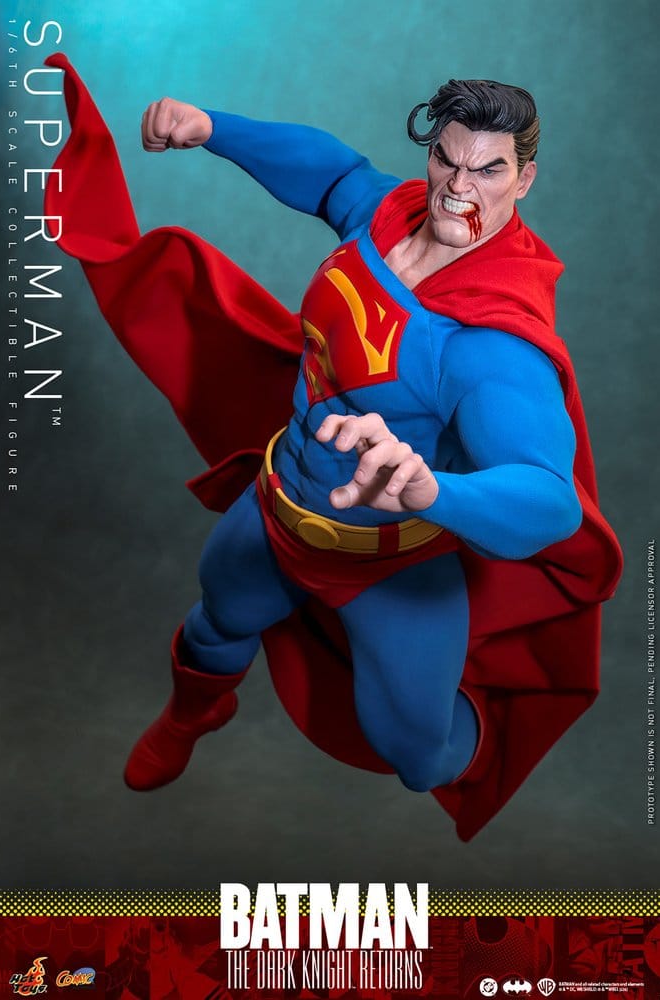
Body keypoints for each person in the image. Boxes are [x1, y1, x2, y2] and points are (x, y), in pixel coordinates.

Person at [45, 58, 622, 838]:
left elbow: (550, 499)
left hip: (391, 564)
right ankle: (193, 712)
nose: (457, 188)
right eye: (445, 160)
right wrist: (213, 128)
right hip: (282, 503)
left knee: (418, 756)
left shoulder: (490, 347)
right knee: (217, 621)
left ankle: (498, 719)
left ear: (523, 180)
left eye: (487, 170)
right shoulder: (391, 215)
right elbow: (335, 174)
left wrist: (433, 491)